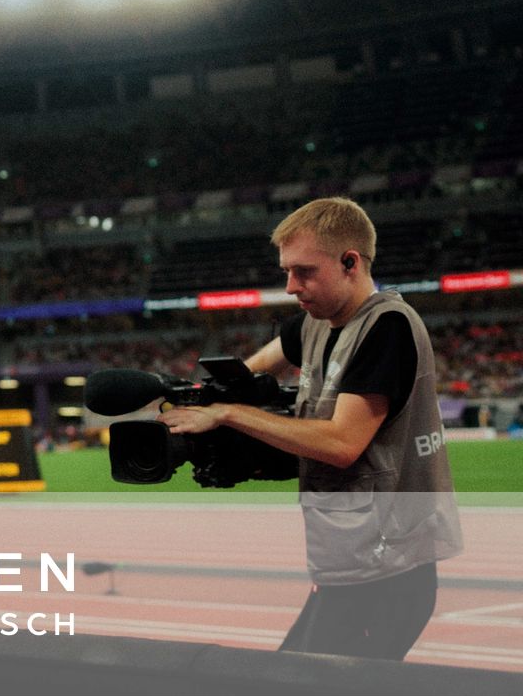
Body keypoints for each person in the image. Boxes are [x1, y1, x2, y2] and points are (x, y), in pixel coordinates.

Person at [159, 197, 462, 660]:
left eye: (303, 271)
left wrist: (229, 414)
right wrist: (199, 397)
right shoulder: (317, 324)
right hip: (350, 562)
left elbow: (343, 443)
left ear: (349, 262)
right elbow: (244, 374)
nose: (291, 286)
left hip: (390, 572)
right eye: (286, 271)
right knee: (297, 689)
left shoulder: (388, 328)